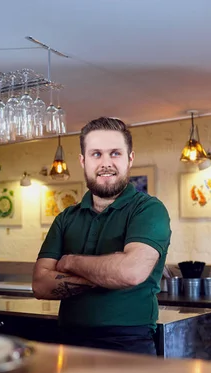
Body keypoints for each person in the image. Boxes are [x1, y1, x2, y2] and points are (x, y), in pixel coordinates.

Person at [32, 117, 172, 356]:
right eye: (96, 154)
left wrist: (71, 262)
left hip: (129, 342)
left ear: (130, 158)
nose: (106, 163)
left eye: (115, 153)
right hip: (67, 342)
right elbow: (40, 285)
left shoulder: (148, 209)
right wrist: (108, 273)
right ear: (83, 161)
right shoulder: (66, 218)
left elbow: (130, 272)